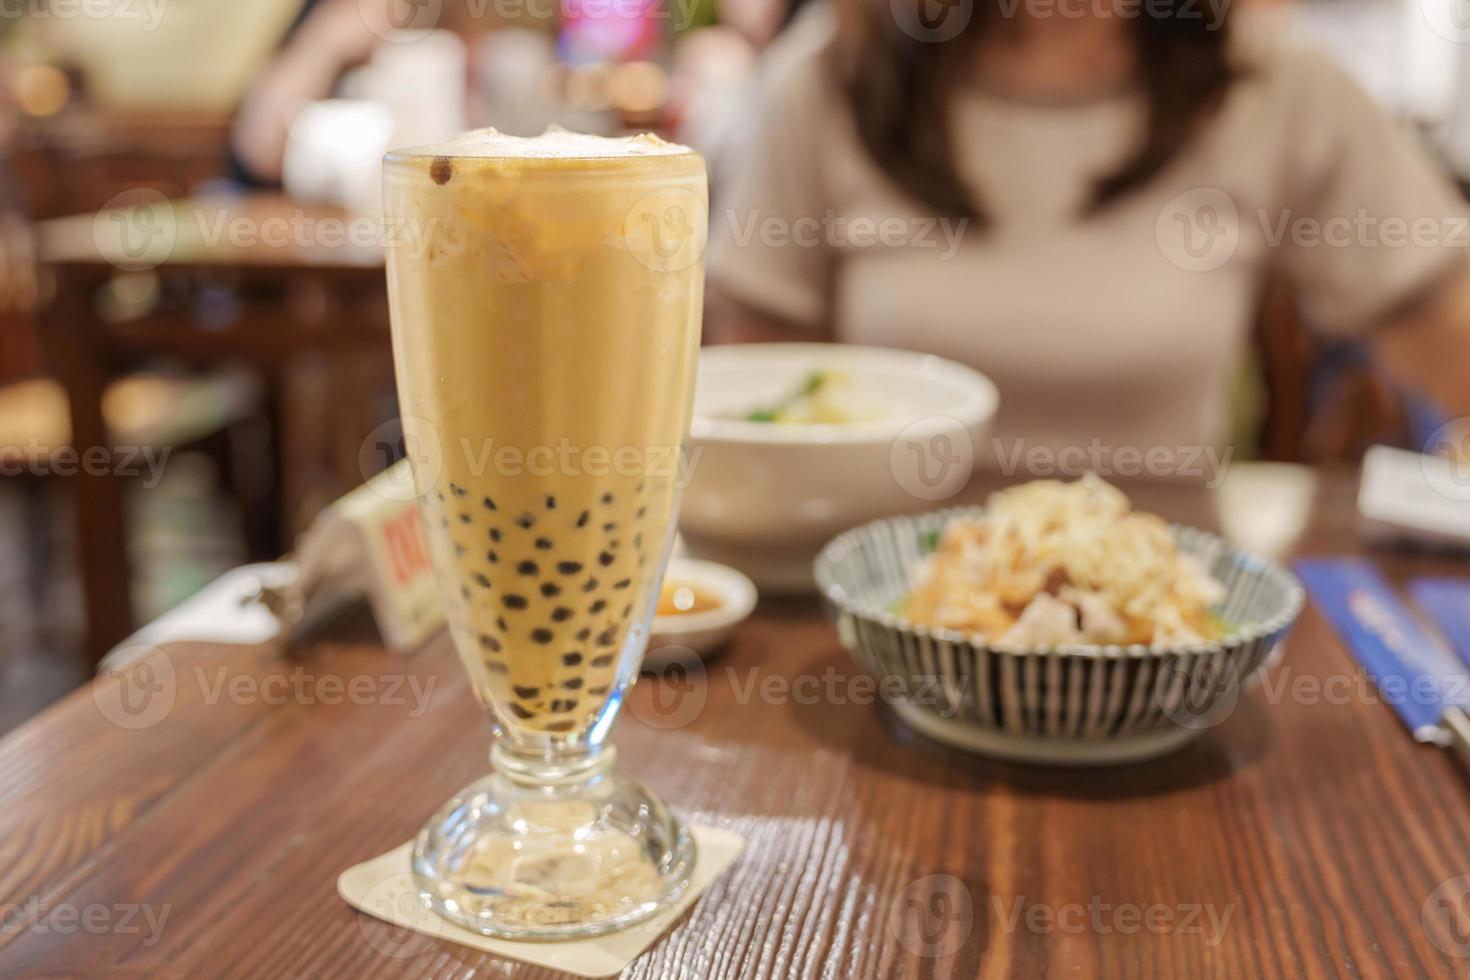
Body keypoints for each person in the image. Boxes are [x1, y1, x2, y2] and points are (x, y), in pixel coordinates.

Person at [707, 0, 1470, 469]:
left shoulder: (1277, 85)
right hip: (867, 622)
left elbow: (1446, 328)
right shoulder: (829, 79)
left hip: (1164, 628)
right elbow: (750, 402)